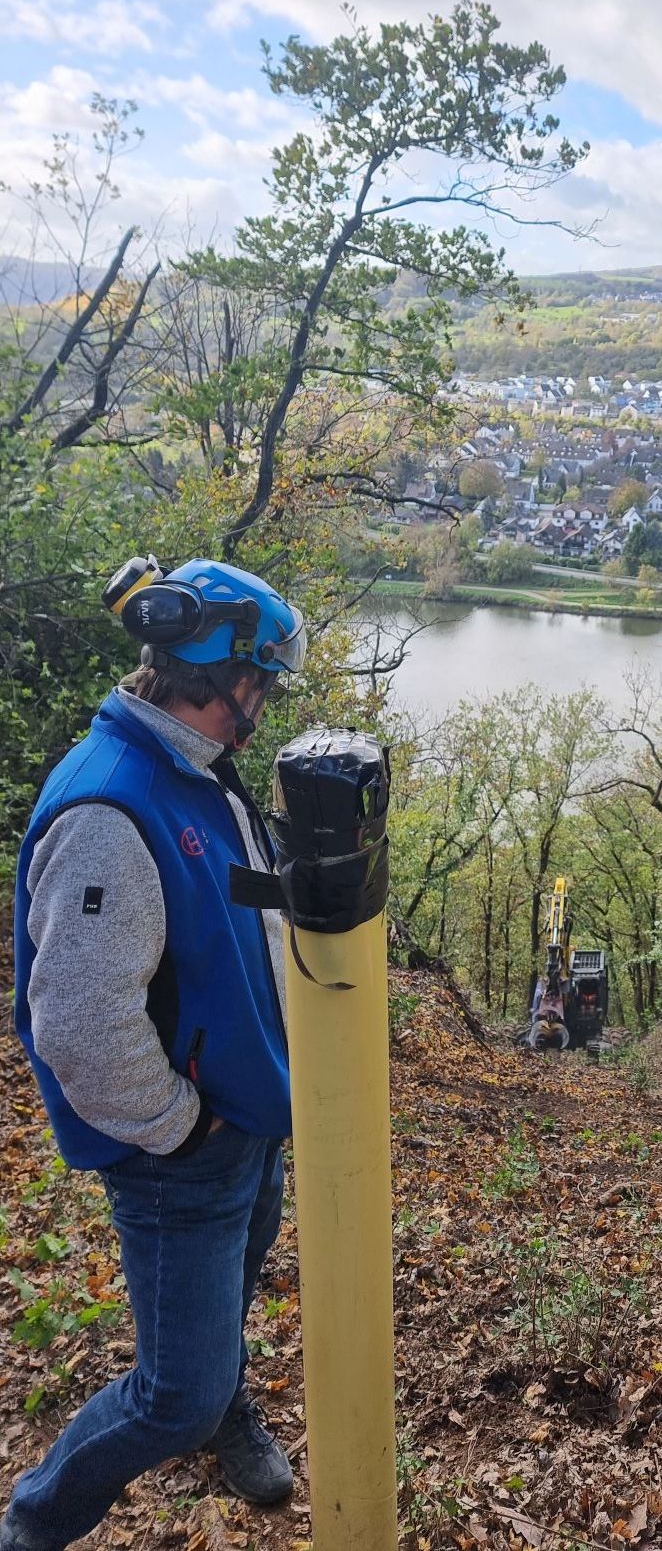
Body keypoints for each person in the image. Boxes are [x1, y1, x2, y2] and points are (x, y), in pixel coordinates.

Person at [2, 557, 307, 1551]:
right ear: (224, 678)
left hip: (248, 1113)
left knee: (228, 1302)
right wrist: (184, 1128)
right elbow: (81, 1023)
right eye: (263, 677)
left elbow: (225, 908)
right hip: (182, 1151)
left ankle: (226, 1411)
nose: (267, 696)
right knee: (171, 1392)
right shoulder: (109, 809)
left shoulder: (194, 770)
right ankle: (38, 1522)